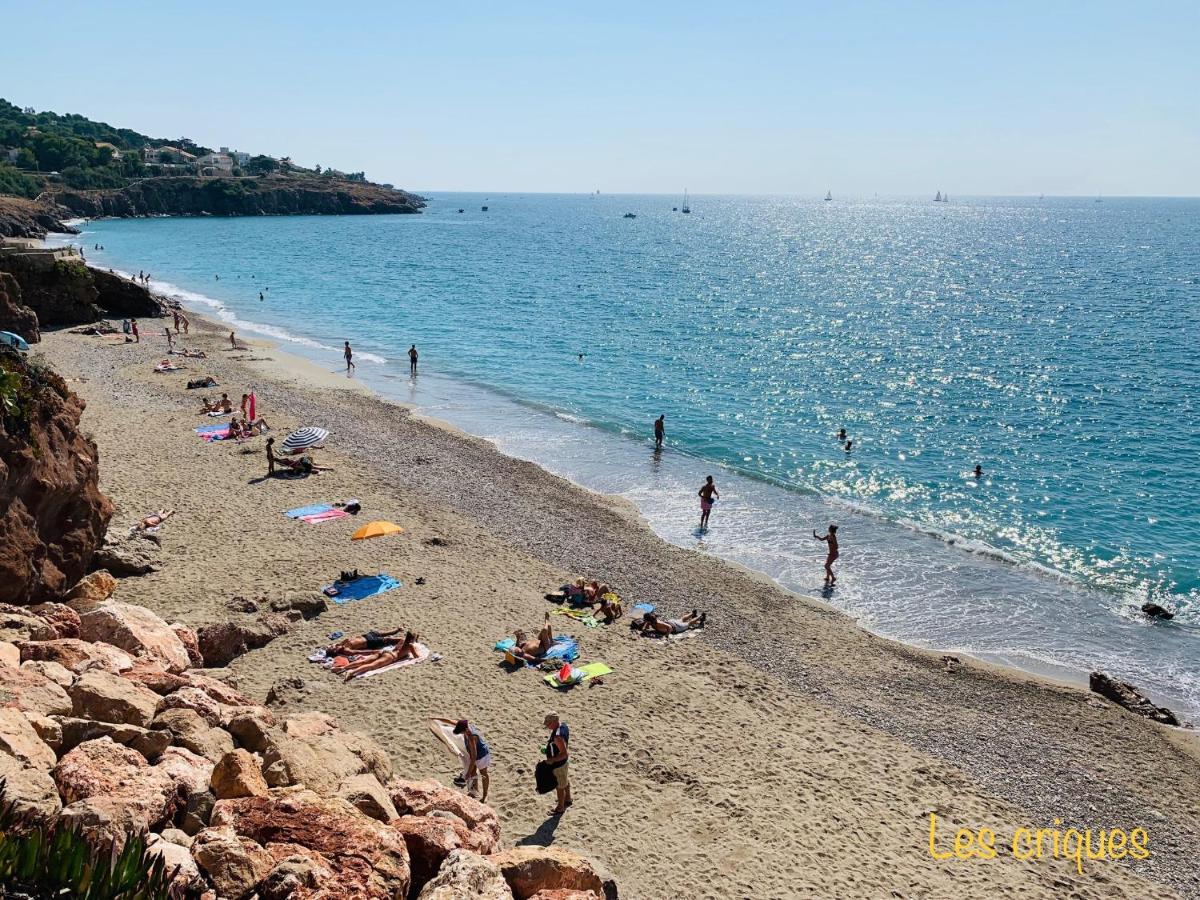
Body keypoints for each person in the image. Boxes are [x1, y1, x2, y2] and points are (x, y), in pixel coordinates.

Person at [340, 631, 421, 681]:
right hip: (391, 656)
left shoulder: (402, 640)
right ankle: (351, 673)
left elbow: (391, 639)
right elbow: (417, 657)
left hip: (385, 651)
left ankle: (344, 668)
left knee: (364, 661)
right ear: (412, 639)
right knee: (371, 665)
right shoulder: (410, 645)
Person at [453, 719, 492, 801]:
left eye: (461, 732)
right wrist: (436, 719)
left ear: (466, 730)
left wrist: (467, 773)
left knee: (483, 774)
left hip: (482, 756)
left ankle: (485, 796)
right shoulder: (464, 725)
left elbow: (474, 757)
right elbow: (451, 721)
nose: (461, 734)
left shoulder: (472, 737)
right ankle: (474, 791)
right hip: (473, 755)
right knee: (473, 773)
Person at [542, 714, 571, 815]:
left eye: (548, 724)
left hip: (558, 764)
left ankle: (560, 807)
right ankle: (568, 799)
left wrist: (551, 760)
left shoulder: (557, 737)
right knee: (565, 780)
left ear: (554, 722)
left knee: (559, 786)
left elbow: (564, 754)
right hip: (564, 763)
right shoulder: (563, 725)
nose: (547, 726)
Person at [328, 628, 404, 656]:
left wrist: (339, 644)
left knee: (382, 633)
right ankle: (404, 639)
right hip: (370, 642)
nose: (335, 646)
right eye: (334, 648)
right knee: (388, 639)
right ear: (336, 652)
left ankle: (397, 630)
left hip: (366, 636)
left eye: (333, 646)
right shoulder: (346, 650)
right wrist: (376, 651)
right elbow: (360, 652)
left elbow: (346, 640)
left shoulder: (341, 645)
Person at [634, 610, 706, 635]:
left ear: (648, 620)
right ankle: (692, 613)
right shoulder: (651, 621)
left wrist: (666, 635)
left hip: (675, 627)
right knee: (681, 619)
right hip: (671, 622)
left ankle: (700, 616)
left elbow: (670, 628)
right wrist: (645, 628)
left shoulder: (657, 623)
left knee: (689, 623)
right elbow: (646, 627)